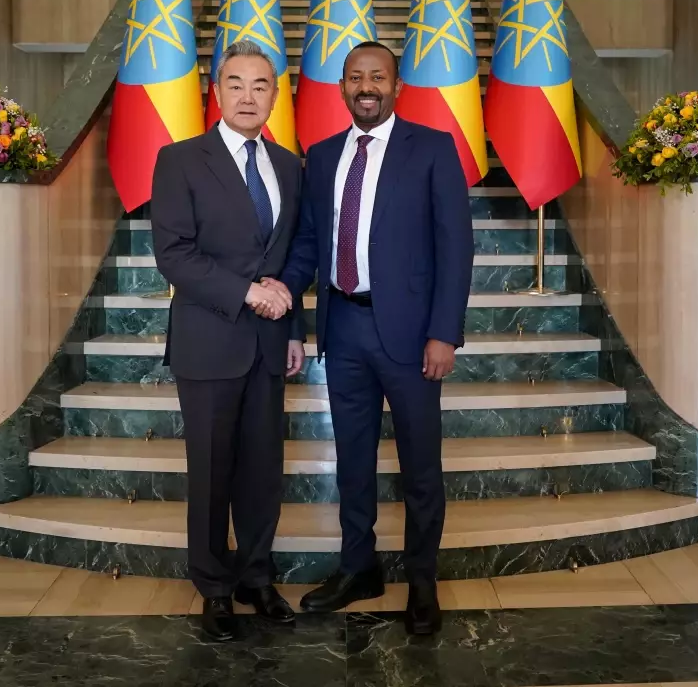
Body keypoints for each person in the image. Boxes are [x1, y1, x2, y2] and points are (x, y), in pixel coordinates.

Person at [267, 40, 472, 636]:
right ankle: (358, 568)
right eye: (356, 77)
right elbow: (310, 242)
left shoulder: (432, 148)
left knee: (420, 467)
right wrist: (283, 294)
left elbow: (456, 247)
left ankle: (423, 580)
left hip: (411, 336)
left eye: (377, 77)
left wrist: (444, 333)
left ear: (396, 86)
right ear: (341, 87)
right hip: (345, 328)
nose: (366, 87)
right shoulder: (322, 155)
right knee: (352, 461)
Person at [151, 39, 305, 642]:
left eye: (260, 85)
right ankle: (214, 587)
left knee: (263, 471)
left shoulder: (289, 165)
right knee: (212, 473)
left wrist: (292, 327)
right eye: (235, 84)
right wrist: (247, 293)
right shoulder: (180, 160)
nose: (247, 96)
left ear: (275, 96)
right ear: (216, 92)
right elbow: (175, 254)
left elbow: (287, 259)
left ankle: (257, 577)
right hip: (209, 340)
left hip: (269, 345)